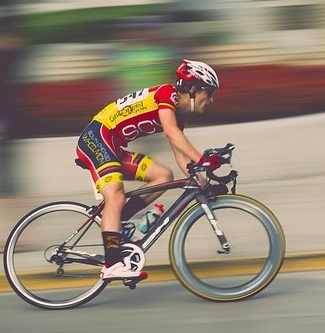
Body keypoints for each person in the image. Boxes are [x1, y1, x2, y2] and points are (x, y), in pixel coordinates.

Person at [76, 59, 222, 280]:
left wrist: (203, 183)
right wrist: (203, 158)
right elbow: (172, 134)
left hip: (113, 147)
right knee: (115, 196)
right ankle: (112, 264)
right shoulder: (167, 94)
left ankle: (119, 220)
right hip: (97, 138)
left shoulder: (177, 114)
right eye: (209, 93)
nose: (211, 100)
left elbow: (180, 154)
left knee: (164, 175)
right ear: (193, 88)